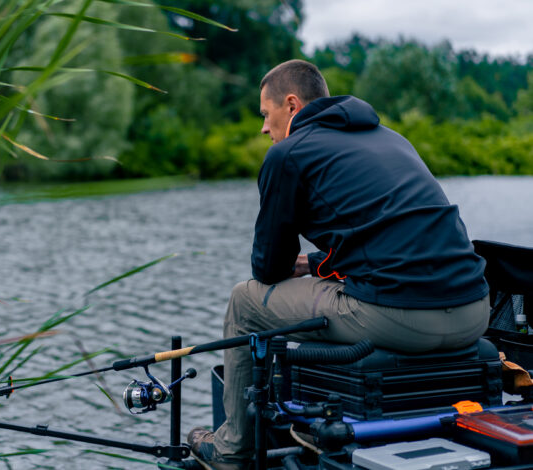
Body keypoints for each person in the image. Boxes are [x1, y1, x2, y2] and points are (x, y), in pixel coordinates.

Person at [186, 59, 490, 470]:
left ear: (291, 105)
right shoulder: (393, 139)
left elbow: (267, 270)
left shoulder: (287, 154)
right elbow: (389, 236)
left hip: (401, 319)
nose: (263, 128)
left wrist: (294, 265)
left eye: (265, 114)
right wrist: (313, 264)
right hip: (476, 312)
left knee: (245, 301)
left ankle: (231, 450)